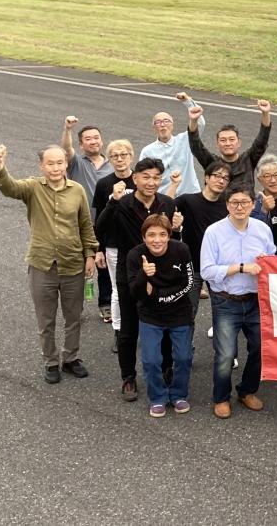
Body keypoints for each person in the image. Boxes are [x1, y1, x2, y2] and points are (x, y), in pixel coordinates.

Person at [0, 143, 98, 384]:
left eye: (60, 162)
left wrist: (90, 254)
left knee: (74, 317)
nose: (55, 168)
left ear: (66, 164)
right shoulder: (32, 187)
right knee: (46, 319)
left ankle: (71, 358)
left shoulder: (77, 190)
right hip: (42, 265)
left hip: (73, 263)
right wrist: (0, 166)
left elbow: (85, 224)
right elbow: (9, 187)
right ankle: (50, 361)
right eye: (50, 163)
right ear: (42, 166)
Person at [96, 157, 179, 402]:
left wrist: (178, 228)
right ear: (135, 179)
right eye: (146, 177)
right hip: (130, 274)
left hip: (161, 275)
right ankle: (128, 377)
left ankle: (166, 368)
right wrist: (112, 201)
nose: (151, 182)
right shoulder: (122, 203)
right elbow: (100, 228)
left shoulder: (167, 203)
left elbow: (172, 240)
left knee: (164, 325)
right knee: (129, 329)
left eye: (156, 177)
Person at [200, 184, 276, 419]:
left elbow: (272, 259)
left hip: (256, 300)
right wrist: (241, 268)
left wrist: (266, 263)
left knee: (260, 349)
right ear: (227, 205)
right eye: (234, 202)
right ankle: (221, 397)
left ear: (253, 205)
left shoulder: (263, 229)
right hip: (226, 301)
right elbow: (207, 271)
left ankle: (247, 391)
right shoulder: (214, 232)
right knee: (225, 354)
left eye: (244, 202)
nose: (239, 207)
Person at [126, 214, 195, 417]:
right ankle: (157, 397)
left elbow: (188, 283)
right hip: (150, 316)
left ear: (169, 235)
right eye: (151, 235)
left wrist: (157, 294)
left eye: (162, 234)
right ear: (144, 237)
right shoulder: (135, 255)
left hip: (180, 314)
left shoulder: (181, 250)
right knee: (151, 360)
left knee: (183, 358)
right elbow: (136, 293)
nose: (157, 240)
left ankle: (179, 394)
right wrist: (143, 274)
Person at [174, 160, 231, 330]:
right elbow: (164, 206)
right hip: (193, 266)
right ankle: (182, 346)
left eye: (225, 178)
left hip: (219, 267)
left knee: (223, 315)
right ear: (206, 177)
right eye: (217, 176)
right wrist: (174, 185)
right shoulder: (188, 200)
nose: (221, 180)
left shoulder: (229, 205)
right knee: (187, 313)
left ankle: (223, 346)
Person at [92, 138, 135, 325]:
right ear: (109, 159)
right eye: (114, 156)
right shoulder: (103, 184)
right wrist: (99, 249)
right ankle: (119, 329)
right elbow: (99, 220)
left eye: (123, 154)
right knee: (118, 289)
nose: (119, 159)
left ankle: (142, 325)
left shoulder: (141, 180)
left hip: (139, 242)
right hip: (114, 244)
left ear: (131, 156)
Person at [187, 100, 272, 188]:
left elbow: (262, 140)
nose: (227, 143)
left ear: (239, 143)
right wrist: (193, 120)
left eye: (231, 139)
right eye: (223, 140)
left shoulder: (248, 159)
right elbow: (196, 146)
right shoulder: (212, 162)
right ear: (217, 144)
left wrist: (265, 113)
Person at [139, 92, 205, 196]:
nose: (162, 125)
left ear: (172, 125)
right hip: (165, 198)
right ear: (154, 128)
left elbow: (200, 123)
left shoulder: (185, 140)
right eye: (158, 122)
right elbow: (142, 176)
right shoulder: (147, 151)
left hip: (190, 195)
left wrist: (187, 101)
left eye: (166, 121)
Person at [59, 116, 114, 205]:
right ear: (81, 145)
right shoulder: (75, 163)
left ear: (101, 142)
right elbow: (66, 149)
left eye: (96, 138)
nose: (93, 142)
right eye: (88, 139)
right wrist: (68, 129)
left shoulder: (113, 165)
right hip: (80, 213)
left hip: (107, 213)